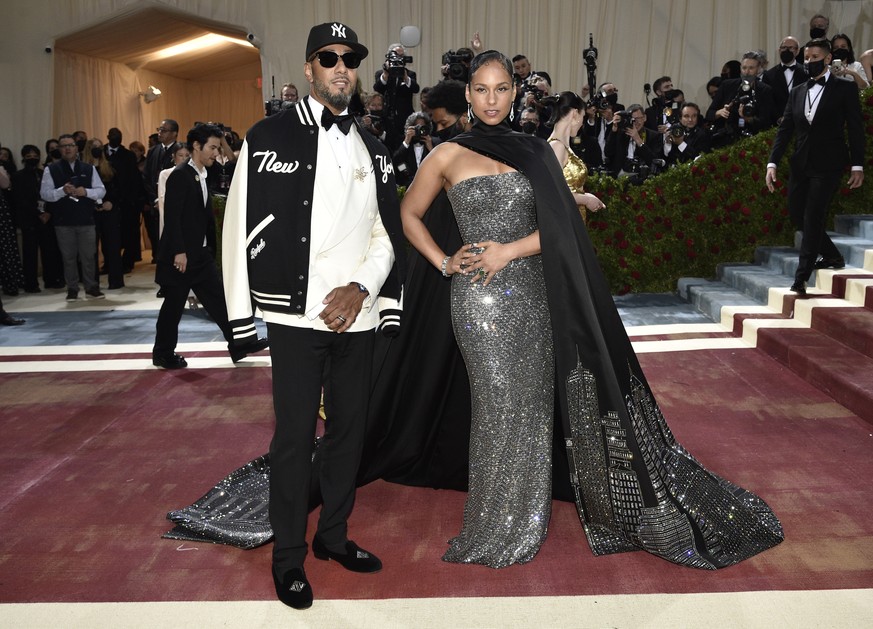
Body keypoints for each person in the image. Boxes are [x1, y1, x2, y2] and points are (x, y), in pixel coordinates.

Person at [400, 49, 782, 569]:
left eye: (501, 89)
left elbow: (564, 225)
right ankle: (492, 518)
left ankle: (524, 517)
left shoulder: (534, 151)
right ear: (468, 94)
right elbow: (409, 212)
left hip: (534, 293)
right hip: (478, 302)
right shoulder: (446, 154)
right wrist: (444, 261)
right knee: (494, 405)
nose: (491, 99)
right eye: (481, 89)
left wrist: (508, 250)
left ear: (515, 94)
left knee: (533, 406)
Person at [221, 21, 405, 610]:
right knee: (294, 440)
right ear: (308, 68)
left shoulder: (372, 145)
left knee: (350, 435)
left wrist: (362, 287)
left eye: (350, 58)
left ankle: (333, 537)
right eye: (329, 58)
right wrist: (240, 316)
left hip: (357, 316)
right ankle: (288, 559)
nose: (341, 67)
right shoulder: (268, 135)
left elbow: (386, 233)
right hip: (295, 320)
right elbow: (237, 228)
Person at [152, 123, 268, 370]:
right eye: (212, 147)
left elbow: (234, 166)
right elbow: (172, 218)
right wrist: (179, 252)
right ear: (196, 146)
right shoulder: (180, 175)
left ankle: (239, 345)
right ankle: (162, 353)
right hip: (181, 257)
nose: (216, 153)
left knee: (219, 302)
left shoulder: (206, 172)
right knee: (173, 307)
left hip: (200, 255)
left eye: (217, 147)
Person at [766, 38, 865, 295]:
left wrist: (857, 165)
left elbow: (855, 129)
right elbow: (785, 130)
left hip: (829, 164)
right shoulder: (798, 90)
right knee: (796, 213)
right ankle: (832, 256)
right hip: (801, 163)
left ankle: (801, 278)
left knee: (812, 218)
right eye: (807, 57)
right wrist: (772, 162)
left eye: (814, 57)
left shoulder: (845, 89)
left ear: (828, 58)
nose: (809, 61)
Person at [39, 134, 105, 301]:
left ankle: (91, 287)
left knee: (89, 256)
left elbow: (101, 190)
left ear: (77, 148)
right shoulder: (51, 170)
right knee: (68, 257)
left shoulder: (88, 168)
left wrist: (86, 192)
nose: (67, 148)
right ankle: (72, 289)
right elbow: (45, 194)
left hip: (86, 220)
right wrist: (62, 190)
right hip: (63, 221)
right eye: (63, 146)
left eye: (70, 145)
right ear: (59, 150)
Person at [541, 91, 605, 223]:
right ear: (575, 114)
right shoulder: (557, 146)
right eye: (583, 116)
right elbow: (550, 192)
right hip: (563, 222)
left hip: (571, 219)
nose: (583, 122)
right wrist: (586, 199)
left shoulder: (562, 146)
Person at [11, 145, 63, 292]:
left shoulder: (45, 174)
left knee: (49, 251)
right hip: (29, 220)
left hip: (47, 218)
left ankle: (51, 280)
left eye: (35, 155)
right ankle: (31, 283)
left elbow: (52, 195)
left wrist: (48, 213)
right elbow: (20, 200)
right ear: (23, 158)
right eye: (28, 156)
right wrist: (37, 214)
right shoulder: (17, 176)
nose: (32, 158)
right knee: (30, 253)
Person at [707, 51, 778, 146]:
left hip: (754, 142)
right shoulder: (727, 86)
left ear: (758, 69)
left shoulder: (765, 90)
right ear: (740, 68)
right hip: (727, 141)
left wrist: (749, 119)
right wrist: (719, 112)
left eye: (751, 68)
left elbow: (767, 122)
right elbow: (709, 114)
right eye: (744, 68)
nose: (747, 72)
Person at [84, 138, 124, 290]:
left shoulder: (110, 166)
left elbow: (118, 190)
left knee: (113, 247)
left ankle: (116, 281)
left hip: (109, 210)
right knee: (90, 249)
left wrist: (111, 203)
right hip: (90, 212)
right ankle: (92, 283)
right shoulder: (83, 168)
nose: (98, 149)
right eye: (94, 147)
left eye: (100, 147)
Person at [105, 127, 144, 273]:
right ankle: (109, 263)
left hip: (127, 201)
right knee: (108, 235)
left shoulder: (128, 155)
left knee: (129, 233)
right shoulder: (102, 152)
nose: (116, 138)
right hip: (107, 200)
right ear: (108, 136)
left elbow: (134, 180)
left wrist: (135, 200)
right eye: (113, 135)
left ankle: (127, 262)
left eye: (119, 135)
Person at [144, 119, 182, 261]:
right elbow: (147, 177)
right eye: (159, 129)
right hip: (155, 202)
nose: (159, 133)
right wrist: (155, 198)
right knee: (156, 236)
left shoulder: (179, 150)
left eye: (164, 130)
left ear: (174, 133)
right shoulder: (153, 151)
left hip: (172, 203)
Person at [373, 43, 420, 150]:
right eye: (395, 56)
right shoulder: (381, 73)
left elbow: (416, 89)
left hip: (405, 118)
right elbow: (377, 88)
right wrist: (386, 74)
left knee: (404, 145)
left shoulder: (410, 74)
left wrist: (405, 77)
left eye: (401, 56)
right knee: (387, 146)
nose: (398, 59)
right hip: (386, 118)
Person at [762, 37, 809, 120]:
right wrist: (778, 118)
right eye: (784, 47)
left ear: (797, 51)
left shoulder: (807, 73)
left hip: (802, 120)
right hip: (777, 122)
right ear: (779, 50)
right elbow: (767, 101)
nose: (787, 50)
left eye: (790, 48)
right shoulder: (769, 75)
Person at [391, 111, 434, 188]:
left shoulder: (434, 142)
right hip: (407, 186)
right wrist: (406, 141)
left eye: (422, 127)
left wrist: (431, 148)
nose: (419, 130)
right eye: (417, 127)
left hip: (429, 186)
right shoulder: (403, 143)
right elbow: (396, 162)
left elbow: (441, 164)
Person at [662, 102, 711, 167]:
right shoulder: (675, 130)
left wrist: (680, 143)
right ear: (680, 118)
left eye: (694, 116)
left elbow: (697, 157)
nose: (690, 120)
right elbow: (666, 157)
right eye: (686, 116)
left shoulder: (703, 134)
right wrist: (667, 143)